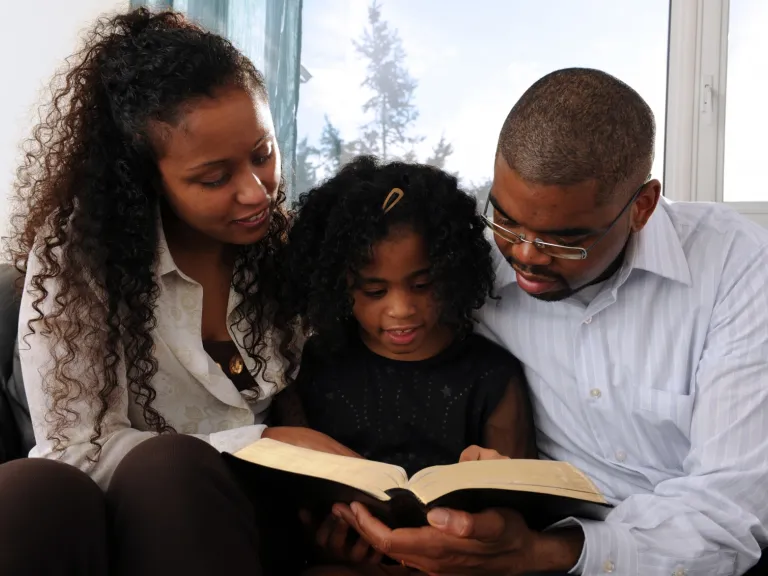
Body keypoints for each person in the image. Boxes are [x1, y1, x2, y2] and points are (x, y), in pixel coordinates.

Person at [332, 68, 768, 575]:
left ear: (642, 206)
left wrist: (542, 553)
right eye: (507, 219)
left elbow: (728, 513)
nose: (525, 255)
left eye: (565, 239)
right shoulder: (466, 264)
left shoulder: (737, 266)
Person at [0, 7, 353, 576]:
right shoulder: (84, 254)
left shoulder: (289, 254)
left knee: (172, 474)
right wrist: (258, 440)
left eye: (263, 153)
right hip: (122, 512)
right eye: (215, 178)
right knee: (33, 489)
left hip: (247, 517)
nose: (257, 191)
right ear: (144, 178)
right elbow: (74, 447)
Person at [274, 156, 536, 572]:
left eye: (422, 285)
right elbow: (298, 497)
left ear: (452, 272)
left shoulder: (492, 377)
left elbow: (516, 516)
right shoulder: (317, 365)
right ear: (339, 285)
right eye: (375, 291)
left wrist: (465, 535)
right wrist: (329, 544)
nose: (401, 309)